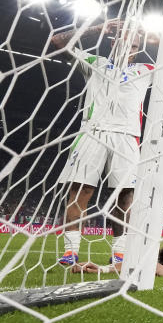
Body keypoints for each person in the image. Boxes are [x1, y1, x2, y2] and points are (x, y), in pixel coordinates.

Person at [50, 19, 156, 266]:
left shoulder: (146, 70)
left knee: (125, 197)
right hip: (92, 133)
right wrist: (97, 28)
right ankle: (70, 252)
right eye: (124, 42)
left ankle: (120, 253)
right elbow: (57, 42)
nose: (129, 47)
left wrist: (153, 38)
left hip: (127, 137)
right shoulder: (95, 63)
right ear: (112, 43)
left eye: (134, 44)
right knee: (80, 193)